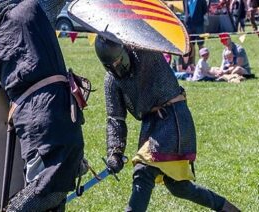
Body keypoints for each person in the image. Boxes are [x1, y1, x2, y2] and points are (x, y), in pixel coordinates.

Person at [94, 35, 240, 212]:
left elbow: (151, 33)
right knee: (179, 187)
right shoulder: (111, 81)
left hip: (174, 116)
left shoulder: (146, 52)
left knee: (144, 171)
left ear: (125, 50)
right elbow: (115, 119)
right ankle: (227, 208)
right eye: (112, 65)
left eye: (119, 61)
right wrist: (115, 153)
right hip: (151, 126)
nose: (117, 67)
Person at [0, 0, 88, 210]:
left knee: (43, 192)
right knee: (48, 195)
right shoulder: (33, 9)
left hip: (36, 125)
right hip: (62, 117)